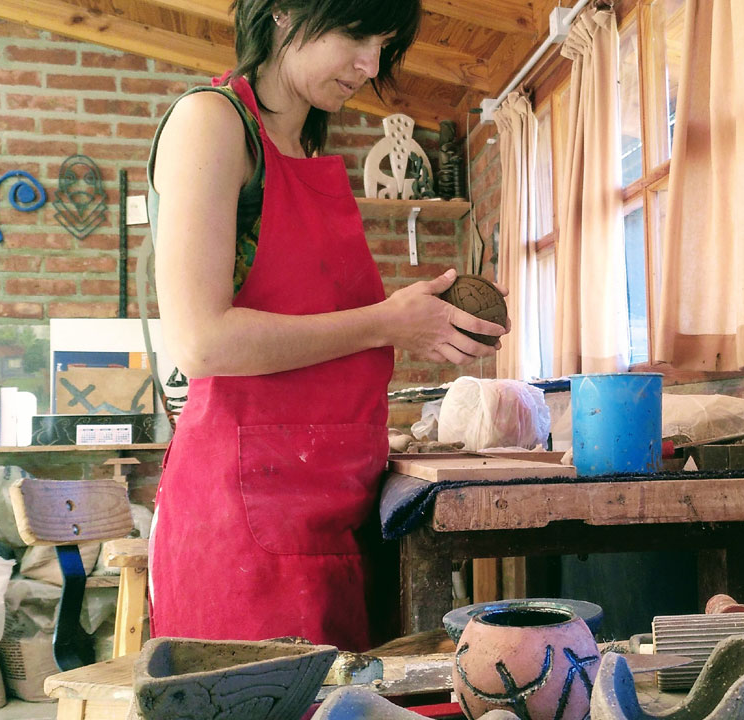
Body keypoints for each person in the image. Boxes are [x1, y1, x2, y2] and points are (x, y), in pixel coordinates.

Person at [145, 0, 507, 652]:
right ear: (283, 9)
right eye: (357, 34)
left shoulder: (307, 145)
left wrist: (408, 329)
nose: (370, 65)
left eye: (384, 44)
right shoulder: (214, 123)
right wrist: (387, 323)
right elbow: (199, 340)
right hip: (245, 527)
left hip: (333, 511)